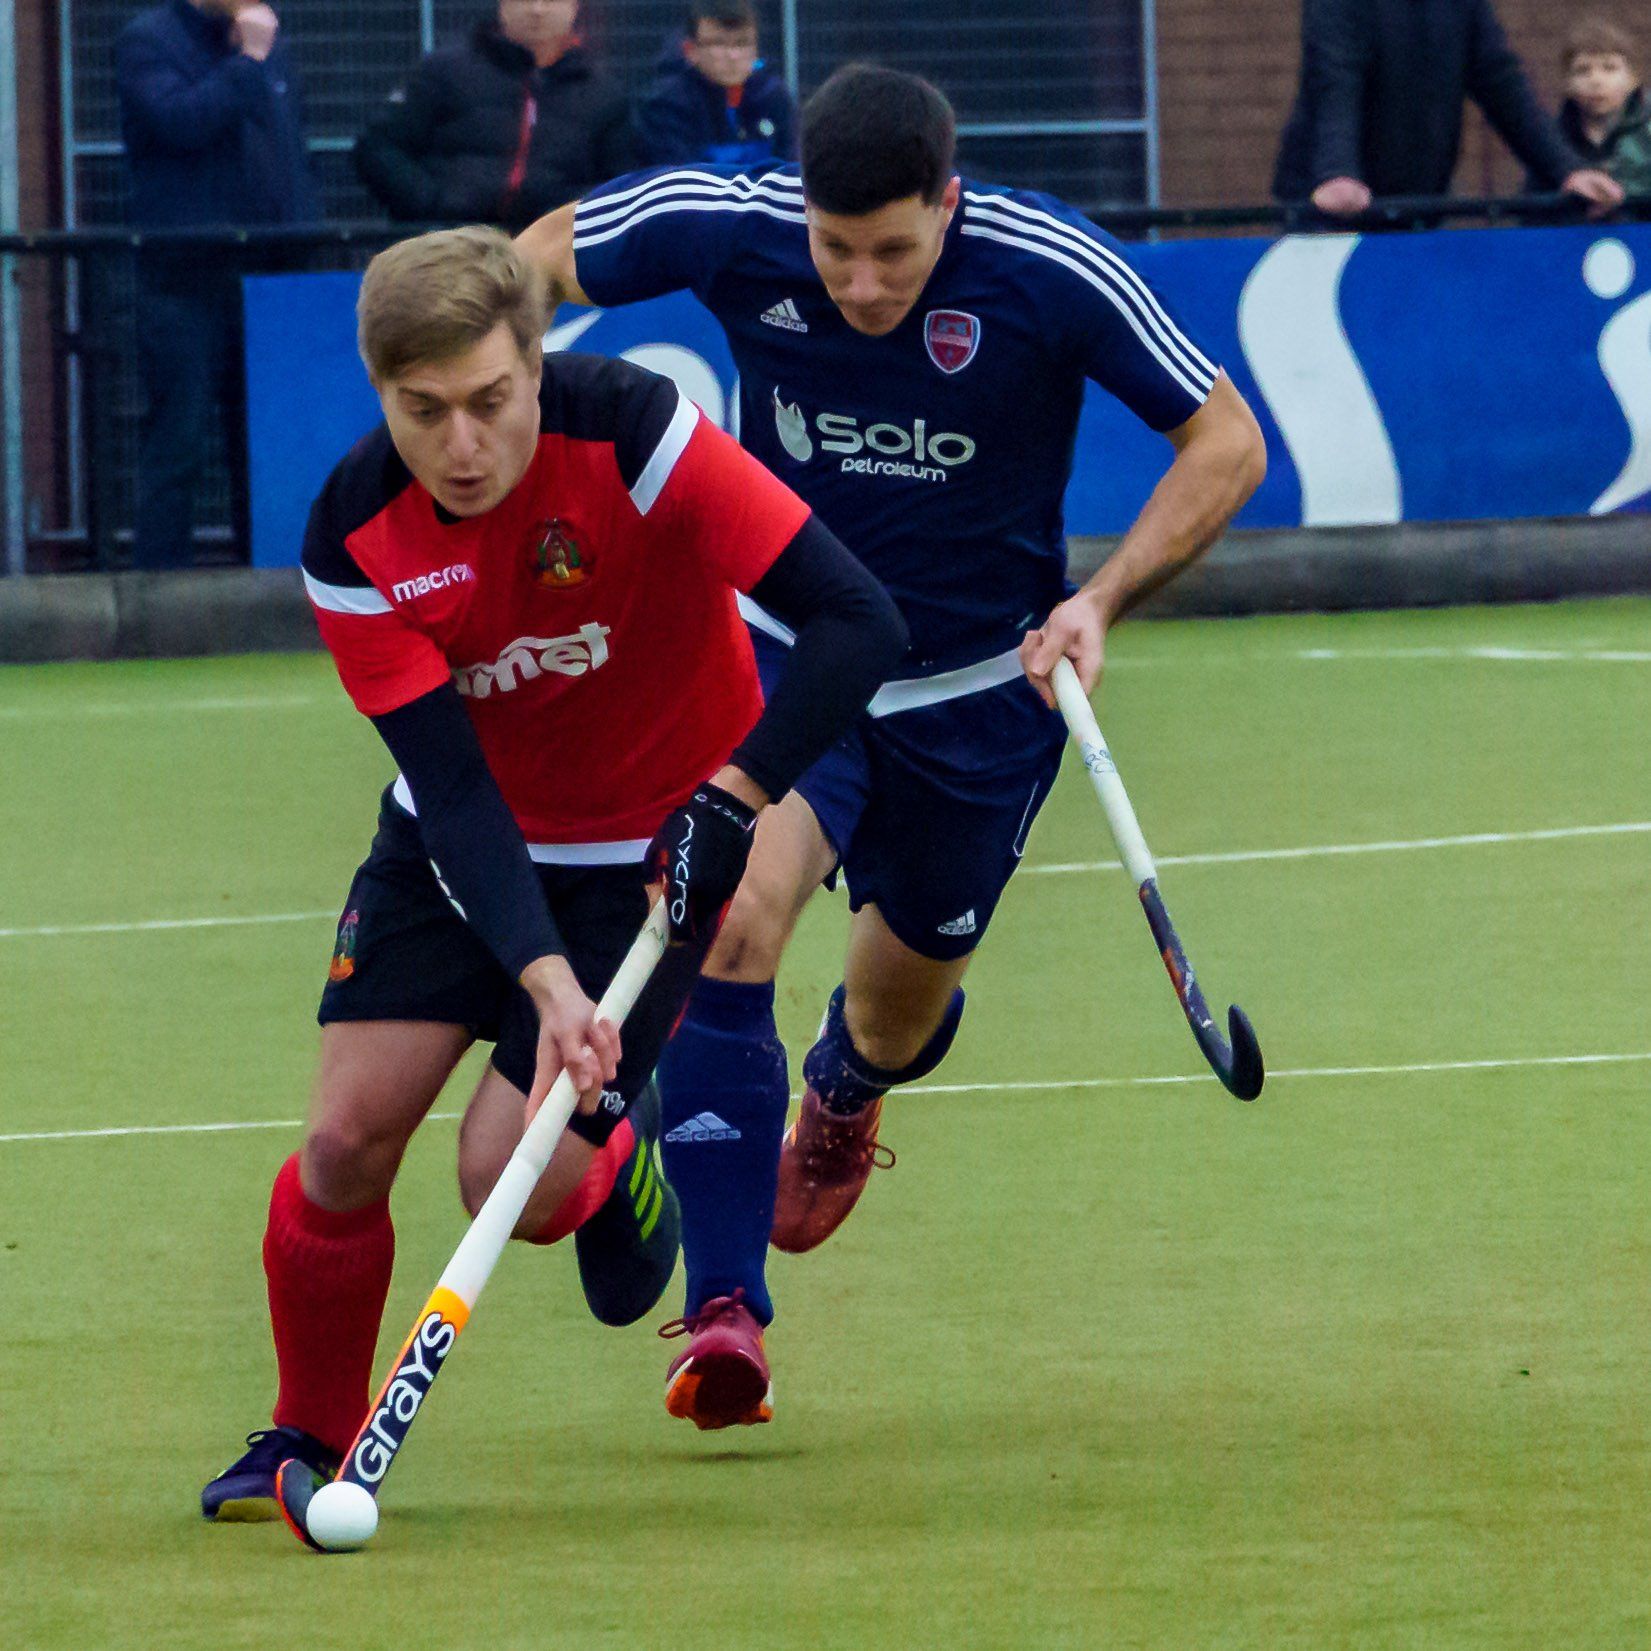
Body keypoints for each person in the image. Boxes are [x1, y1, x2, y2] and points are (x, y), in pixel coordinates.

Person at [516, 65, 1268, 1430]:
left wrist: (1099, 600)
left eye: (894, 253)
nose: (861, 285)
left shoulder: (1047, 267)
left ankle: (847, 1081)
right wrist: (509, 433)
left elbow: (1223, 442)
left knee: (896, 1010)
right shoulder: (731, 218)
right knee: (730, 916)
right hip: (787, 655)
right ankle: (726, 1311)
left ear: (948, 202)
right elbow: (530, 267)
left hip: (977, 692)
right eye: (835, 249)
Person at [198, 225, 905, 1518]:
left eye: (489, 400)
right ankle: (306, 1433)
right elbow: (455, 789)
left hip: (650, 855)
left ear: (535, 362)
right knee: (344, 1140)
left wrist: (735, 797)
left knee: (505, 1181)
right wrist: (544, 982)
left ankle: (620, 1162)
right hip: (459, 845)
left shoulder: (637, 434)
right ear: (381, 394)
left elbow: (859, 618)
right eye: (423, 411)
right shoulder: (354, 534)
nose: (461, 444)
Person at [115, 0, 320, 570]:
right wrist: (248, 62)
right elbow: (180, 124)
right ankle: (158, 594)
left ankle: (273, 583)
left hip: (271, 275)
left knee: (264, 439)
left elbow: (288, 144)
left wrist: (303, 226)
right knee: (178, 439)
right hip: (186, 280)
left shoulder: (269, 40)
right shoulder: (149, 41)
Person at [1272, 0, 1624, 219]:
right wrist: (1337, 173)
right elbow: (1335, 81)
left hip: (1417, 201)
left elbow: (1501, 82)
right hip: (1329, 206)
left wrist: (1567, 170)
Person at [355, 0, 632, 233]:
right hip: (448, 246)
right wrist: (432, 204)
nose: (537, 10)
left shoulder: (603, 94)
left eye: (550, 0)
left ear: (574, 6)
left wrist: (565, 219)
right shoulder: (444, 71)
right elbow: (379, 148)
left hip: (551, 253)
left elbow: (623, 182)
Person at [635, 1, 797, 169]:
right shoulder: (666, 105)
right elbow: (673, 176)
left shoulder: (774, 97)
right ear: (690, 50)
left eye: (742, 43)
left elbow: (792, 167)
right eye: (719, 43)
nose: (733, 55)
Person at [1535, 18, 1651, 199]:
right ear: (1567, 83)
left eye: (1609, 68)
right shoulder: (1552, 140)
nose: (1596, 80)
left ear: (1632, 79)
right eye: (1582, 70)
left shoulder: (1647, 132)